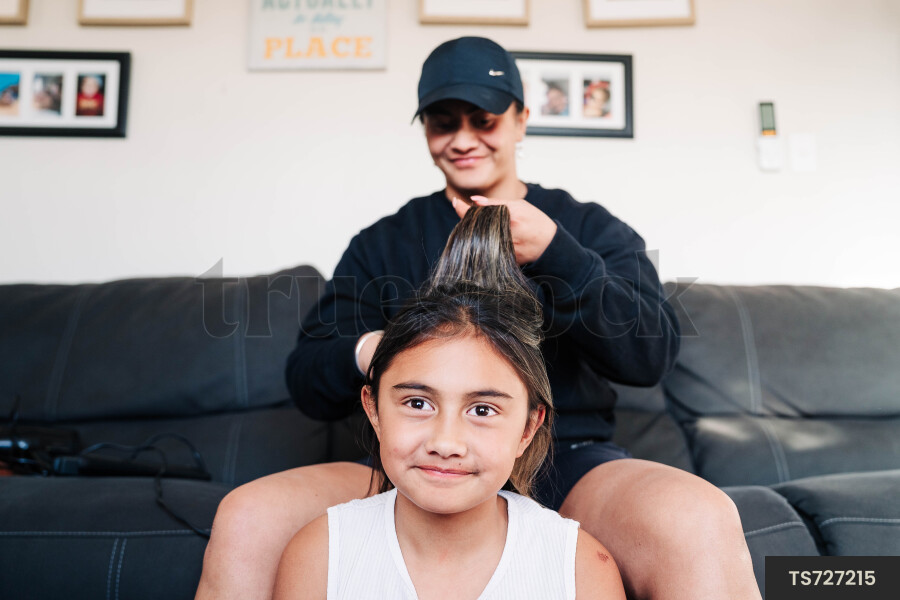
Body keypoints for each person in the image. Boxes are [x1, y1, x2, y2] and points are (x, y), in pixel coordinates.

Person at [197, 37, 762, 600]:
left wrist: (559, 255)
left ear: (521, 120)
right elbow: (309, 378)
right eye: (443, 123)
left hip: (565, 462)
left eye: (484, 120)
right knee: (249, 516)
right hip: (410, 466)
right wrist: (379, 350)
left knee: (697, 519)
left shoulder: (586, 229)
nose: (463, 140)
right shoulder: (382, 244)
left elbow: (649, 355)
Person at [272, 205, 625, 599]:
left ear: (529, 427)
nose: (446, 442)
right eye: (418, 403)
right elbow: (308, 372)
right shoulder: (318, 556)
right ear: (372, 408)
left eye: (482, 409)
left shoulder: (580, 570)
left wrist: (561, 254)